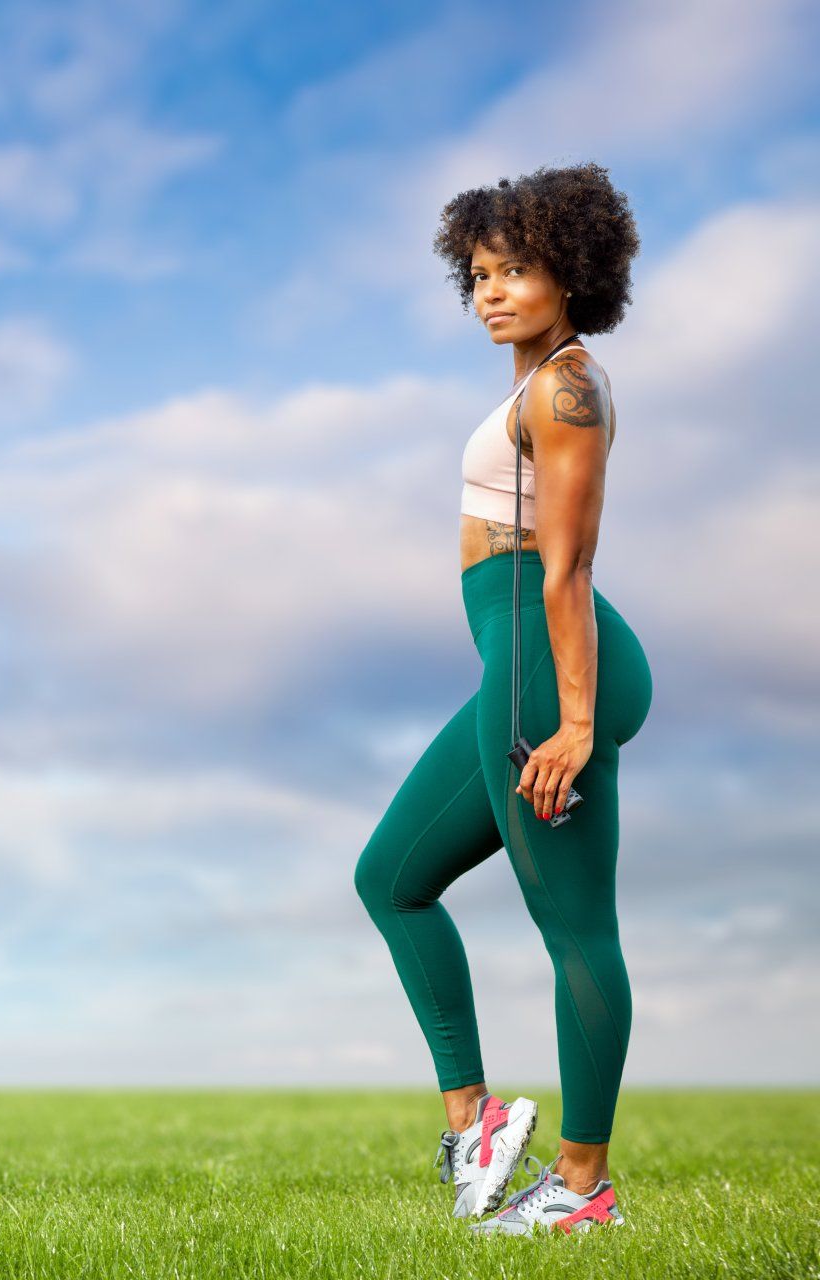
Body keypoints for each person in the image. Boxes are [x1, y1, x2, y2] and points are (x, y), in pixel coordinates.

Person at [352, 162, 650, 1236]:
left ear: (572, 271)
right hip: (515, 654)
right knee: (390, 875)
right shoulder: (532, 386)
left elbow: (565, 567)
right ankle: (475, 1124)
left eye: (517, 269)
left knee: (574, 926)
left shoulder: (568, 388)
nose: (492, 290)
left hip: (540, 658)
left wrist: (571, 721)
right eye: (480, 273)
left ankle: (580, 1185)